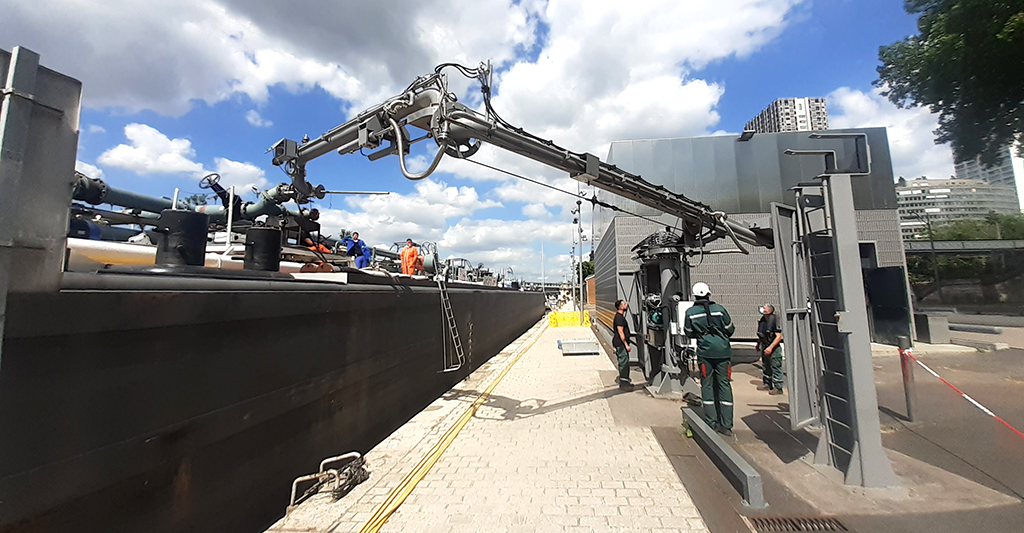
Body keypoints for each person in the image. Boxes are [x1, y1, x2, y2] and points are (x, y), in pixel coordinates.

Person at [683, 282, 736, 436]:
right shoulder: (720, 310)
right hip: (723, 352)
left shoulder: (691, 313)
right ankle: (726, 425)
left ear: (695, 295)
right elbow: (730, 329)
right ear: (708, 293)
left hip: (705, 352)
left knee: (706, 385)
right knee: (724, 385)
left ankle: (710, 422)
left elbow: (689, 332)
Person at [757, 304, 784, 395]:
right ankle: (767, 383)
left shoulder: (774, 320)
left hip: (773, 347)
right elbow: (761, 333)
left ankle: (778, 387)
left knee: (775, 366)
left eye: (764, 308)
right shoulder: (763, 320)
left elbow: (779, 337)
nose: (761, 309)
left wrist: (771, 347)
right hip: (764, 345)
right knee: (766, 365)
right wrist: (758, 344)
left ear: (769, 311)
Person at [612, 299, 632, 388]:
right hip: (620, 343)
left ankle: (625, 380)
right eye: (624, 304)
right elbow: (621, 332)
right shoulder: (619, 318)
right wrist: (626, 344)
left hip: (621, 343)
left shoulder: (620, 317)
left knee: (625, 361)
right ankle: (624, 383)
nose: (626, 305)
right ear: (620, 307)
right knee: (623, 361)